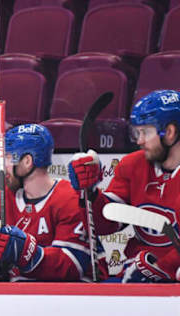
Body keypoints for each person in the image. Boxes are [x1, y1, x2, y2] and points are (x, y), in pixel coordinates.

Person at [0, 124, 107, 282]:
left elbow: (72, 265)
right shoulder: (0, 201)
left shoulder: (69, 198)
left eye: (7, 158)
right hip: (19, 298)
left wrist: (28, 253)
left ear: (27, 161)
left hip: (72, 297)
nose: (0, 166)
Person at [68, 90, 180, 283]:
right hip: (137, 272)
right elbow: (105, 224)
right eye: (137, 132)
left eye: (145, 132)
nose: (139, 140)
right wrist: (90, 193)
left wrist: (160, 268)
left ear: (169, 132)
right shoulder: (132, 165)